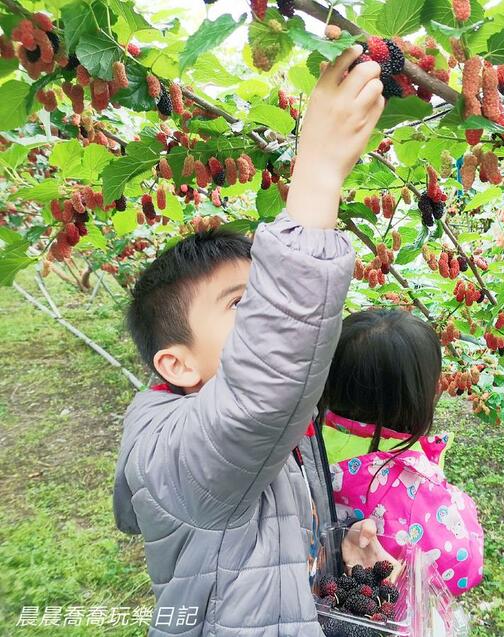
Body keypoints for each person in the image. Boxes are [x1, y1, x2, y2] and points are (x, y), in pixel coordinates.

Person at [111, 46, 389, 636]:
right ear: (177, 364)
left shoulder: (276, 437)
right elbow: (265, 382)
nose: (264, 312)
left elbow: (284, 516)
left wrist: (341, 550)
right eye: (244, 304)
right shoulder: (175, 459)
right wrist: (315, 172)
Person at [317, 310, 485, 596]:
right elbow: (463, 569)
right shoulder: (413, 484)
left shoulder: (306, 444)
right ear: (423, 397)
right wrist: (459, 501)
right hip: (385, 614)